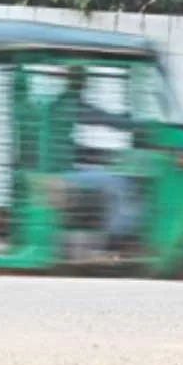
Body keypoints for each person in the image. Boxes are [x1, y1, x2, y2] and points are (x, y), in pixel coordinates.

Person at [53, 66, 141, 252]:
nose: (85, 84)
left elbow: (74, 148)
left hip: (61, 167)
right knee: (121, 185)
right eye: (83, 80)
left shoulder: (61, 103)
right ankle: (116, 240)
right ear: (79, 82)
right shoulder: (71, 104)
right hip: (61, 172)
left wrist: (106, 156)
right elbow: (104, 119)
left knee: (107, 177)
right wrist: (137, 125)